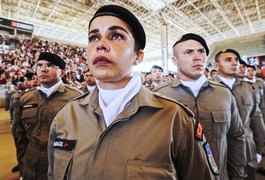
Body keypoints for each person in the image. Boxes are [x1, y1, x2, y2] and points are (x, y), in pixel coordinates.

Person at [48, 5, 217, 179]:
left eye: (116, 36)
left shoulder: (175, 119)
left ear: (138, 56)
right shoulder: (66, 117)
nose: (101, 45)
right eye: (93, 37)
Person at [154, 33, 246, 179]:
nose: (197, 57)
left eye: (201, 51)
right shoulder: (159, 96)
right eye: (188, 52)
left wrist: (237, 175)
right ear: (174, 60)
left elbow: (236, 137)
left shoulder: (224, 94)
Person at [15, 52, 83, 179]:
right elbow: (20, 136)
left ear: (62, 72)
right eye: (39, 65)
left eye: (50, 65)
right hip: (31, 166)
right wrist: (23, 166)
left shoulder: (76, 98)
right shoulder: (25, 99)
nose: (43, 69)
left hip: (62, 165)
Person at [212, 49, 265, 180]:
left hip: (246, 147)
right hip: (218, 148)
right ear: (216, 65)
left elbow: (256, 118)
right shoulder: (207, 87)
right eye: (228, 60)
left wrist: (259, 148)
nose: (235, 63)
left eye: (236, 60)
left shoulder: (248, 88)